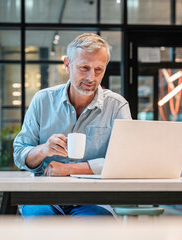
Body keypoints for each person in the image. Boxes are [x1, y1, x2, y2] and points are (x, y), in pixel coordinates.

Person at [13, 33, 131, 218]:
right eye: (84, 68)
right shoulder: (43, 100)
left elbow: (123, 161)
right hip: (44, 197)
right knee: (41, 222)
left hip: (93, 200)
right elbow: (20, 155)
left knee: (95, 225)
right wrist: (44, 149)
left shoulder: (117, 106)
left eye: (98, 69)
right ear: (67, 65)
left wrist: (69, 169)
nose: (91, 77)